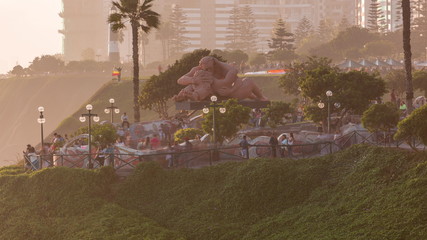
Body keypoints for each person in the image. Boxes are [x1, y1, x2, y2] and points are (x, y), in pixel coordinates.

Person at [175, 56, 268, 101]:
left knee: (248, 81)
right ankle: (183, 96)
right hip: (210, 94)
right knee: (190, 87)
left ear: (212, 62)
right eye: (201, 63)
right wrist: (193, 80)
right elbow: (180, 80)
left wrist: (231, 90)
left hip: (228, 94)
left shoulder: (221, 71)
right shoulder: (197, 71)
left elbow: (236, 77)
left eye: (204, 63)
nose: (201, 65)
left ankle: (260, 97)